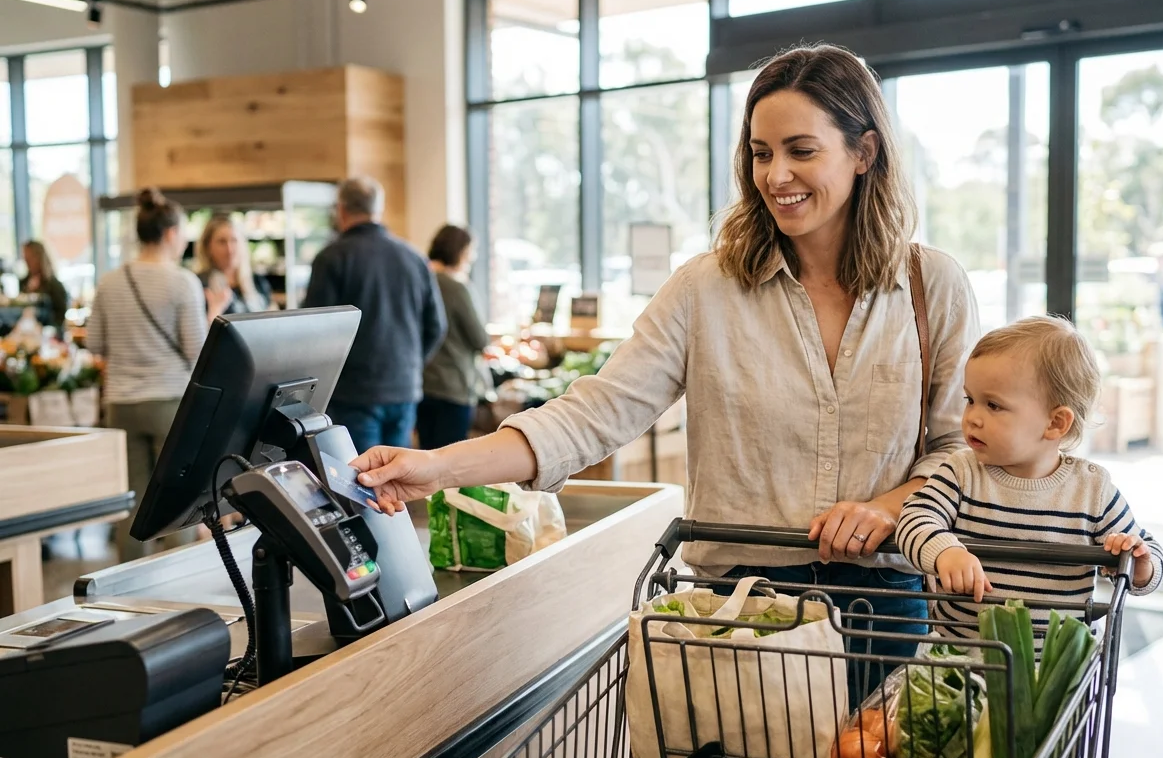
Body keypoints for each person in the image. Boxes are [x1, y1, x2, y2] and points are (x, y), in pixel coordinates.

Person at [350, 45, 981, 698]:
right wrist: (438, 468)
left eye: (801, 150)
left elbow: (957, 449)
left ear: (865, 152)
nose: (776, 175)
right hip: (742, 612)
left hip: (886, 605)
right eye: (761, 154)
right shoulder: (707, 289)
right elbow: (592, 415)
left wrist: (888, 506)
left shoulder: (932, 287)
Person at [895, 316, 1163, 647]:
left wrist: (1140, 564)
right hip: (960, 666)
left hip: (1053, 681)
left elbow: (1150, 553)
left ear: (1055, 423)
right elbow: (913, 517)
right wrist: (945, 551)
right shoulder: (961, 472)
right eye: (970, 399)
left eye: (993, 405)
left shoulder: (1091, 491)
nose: (972, 417)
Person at [88, 188, 228, 562]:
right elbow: (197, 351)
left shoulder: (109, 281)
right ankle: (172, 585)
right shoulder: (182, 282)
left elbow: (94, 343)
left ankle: (127, 587)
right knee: (173, 500)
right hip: (169, 404)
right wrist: (211, 313)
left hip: (120, 404)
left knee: (131, 500)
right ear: (169, 234)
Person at [304, 176, 447, 452]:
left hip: (353, 392)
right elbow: (437, 326)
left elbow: (315, 330)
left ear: (341, 209)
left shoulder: (332, 258)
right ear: (378, 210)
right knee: (396, 479)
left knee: (359, 482)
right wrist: (411, 363)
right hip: (404, 387)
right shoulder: (414, 258)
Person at [418, 224, 490, 450]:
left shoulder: (419, 280)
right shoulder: (457, 288)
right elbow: (480, 339)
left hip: (422, 384)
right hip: (453, 387)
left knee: (425, 457)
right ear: (461, 252)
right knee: (448, 464)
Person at [195, 213, 270, 315]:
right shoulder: (199, 285)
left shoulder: (258, 281)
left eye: (234, 240)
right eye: (222, 242)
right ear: (207, 247)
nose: (229, 249)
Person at [19, 240, 69, 326]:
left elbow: (60, 314)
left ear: (39, 257)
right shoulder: (23, 282)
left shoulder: (54, 285)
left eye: (30, 257)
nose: (26, 261)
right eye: (25, 258)